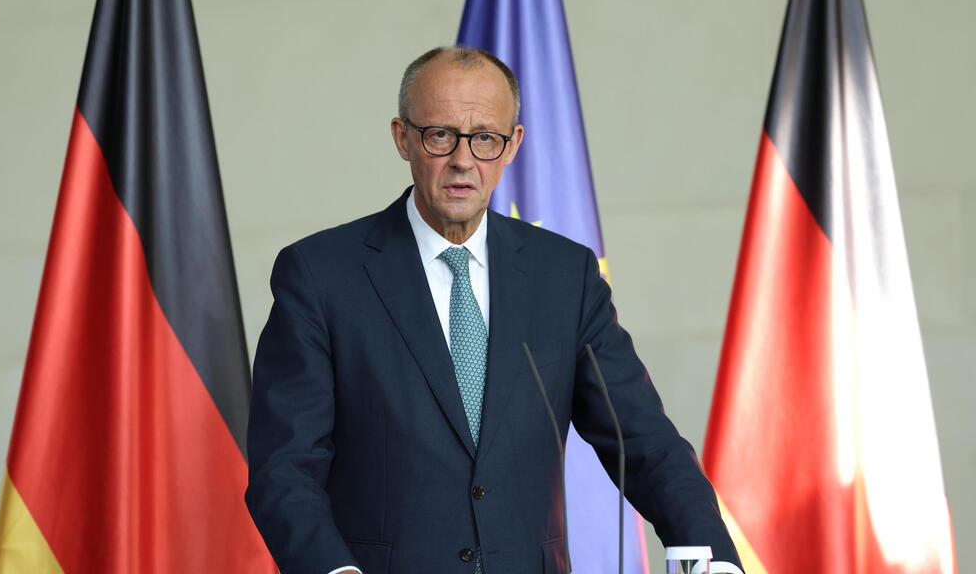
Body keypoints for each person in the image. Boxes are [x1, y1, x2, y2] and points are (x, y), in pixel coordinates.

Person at [246, 46, 741, 574]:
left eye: (485, 138)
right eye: (441, 135)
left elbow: (643, 440)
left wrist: (712, 556)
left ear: (512, 146)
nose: (464, 160)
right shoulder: (321, 275)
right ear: (403, 138)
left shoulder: (564, 276)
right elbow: (285, 469)